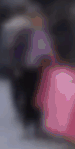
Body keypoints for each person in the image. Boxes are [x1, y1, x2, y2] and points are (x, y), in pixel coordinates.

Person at [10, 9, 54, 138]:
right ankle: (28, 125)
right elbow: (16, 51)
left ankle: (37, 126)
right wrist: (16, 67)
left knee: (40, 98)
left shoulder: (45, 33)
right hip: (27, 68)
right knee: (28, 97)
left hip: (42, 69)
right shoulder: (23, 33)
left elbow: (49, 51)